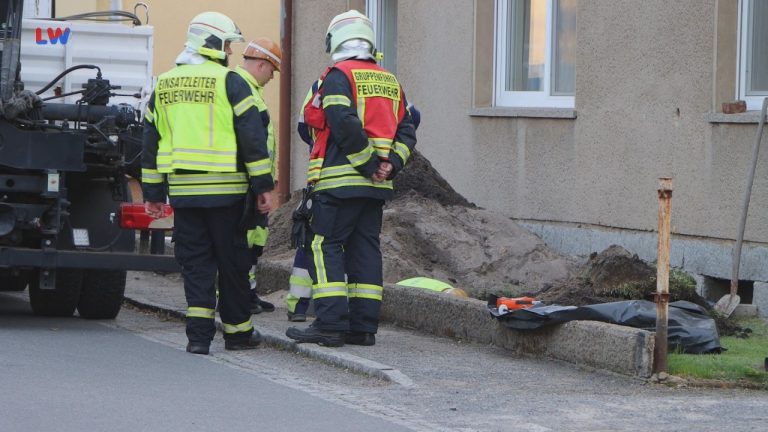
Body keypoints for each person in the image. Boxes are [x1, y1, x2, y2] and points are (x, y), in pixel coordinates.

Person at [141, 11, 273, 355]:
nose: (229, 51)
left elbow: (150, 142)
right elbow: (253, 139)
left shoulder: (164, 84)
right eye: (227, 44)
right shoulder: (231, 82)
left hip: (184, 196)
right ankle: (238, 334)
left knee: (196, 266)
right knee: (233, 264)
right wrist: (263, 186)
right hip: (228, 194)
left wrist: (153, 193)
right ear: (212, 43)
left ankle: (198, 338)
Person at [286, 10, 417, 347]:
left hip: (339, 182)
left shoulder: (338, 76)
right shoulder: (390, 80)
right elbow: (407, 129)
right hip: (376, 189)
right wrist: (390, 166)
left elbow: (342, 122)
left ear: (336, 40)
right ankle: (363, 328)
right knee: (365, 250)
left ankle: (330, 325)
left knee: (324, 245)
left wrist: (368, 163)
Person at [234, 38, 282, 315]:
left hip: (256, 183)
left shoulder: (250, 90)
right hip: (248, 184)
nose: (273, 77)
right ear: (261, 65)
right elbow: (251, 142)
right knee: (242, 244)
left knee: (253, 242)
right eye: (272, 70)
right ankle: (235, 296)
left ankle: (247, 293)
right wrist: (259, 184)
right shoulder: (242, 90)